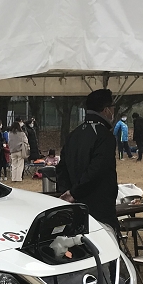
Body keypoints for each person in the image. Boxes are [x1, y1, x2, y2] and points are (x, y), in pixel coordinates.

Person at [56, 88, 119, 231]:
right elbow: (97, 170)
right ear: (106, 110)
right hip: (100, 206)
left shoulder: (73, 135)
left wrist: (67, 192)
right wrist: (74, 193)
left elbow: (61, 168)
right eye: (112, 107)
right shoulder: (104, 136)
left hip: (75, 205)